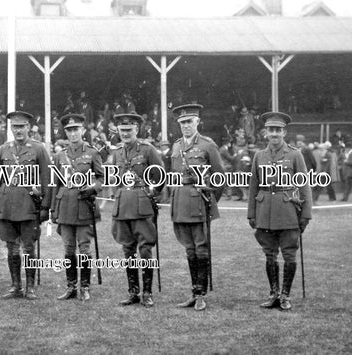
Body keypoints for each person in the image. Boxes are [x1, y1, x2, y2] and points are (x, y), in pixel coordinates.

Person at [247, 112, 312, 311]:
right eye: (270, 130)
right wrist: (251, 212)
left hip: (288, 211)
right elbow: (253, 186)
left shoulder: (294, 154)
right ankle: (273, 293)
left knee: (289, 254)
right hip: (264, 210)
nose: (274, 134)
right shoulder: (259, 155)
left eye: (278, 130)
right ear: (265, 132)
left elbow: (304, 186)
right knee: (269, 254)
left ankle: (285, 295)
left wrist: (306, 214)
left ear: (284, 132)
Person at [0, 111, 51, 300]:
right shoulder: (4, 149)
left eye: (22, 126)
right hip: (7, 205)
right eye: (15, 127)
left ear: (28, 128)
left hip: (29, 205)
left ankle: (30, 287)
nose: (18, 130)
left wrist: (45, 206)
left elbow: (47, 178)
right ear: (11, 129)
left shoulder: (38, 149)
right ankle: (16, 285)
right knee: (12, 247)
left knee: (29, 247)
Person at [170, 104, 224, 311]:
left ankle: (201, 294)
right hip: (180, 202)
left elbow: (220, 177)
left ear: (197, 122)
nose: (185, 126)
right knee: (189, 249)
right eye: (182, 123)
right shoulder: (176, 146)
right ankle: (194, 292)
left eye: (189, 122)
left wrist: (210, 198)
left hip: (200, 202)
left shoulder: (207, 144)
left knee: (201, 248)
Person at [111, 113, 164, 308]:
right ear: (118, 131)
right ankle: (133, 292)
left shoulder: (147, 150)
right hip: (123, 205)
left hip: (142, 206)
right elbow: (116, 180)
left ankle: (147, 292)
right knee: (128, 249)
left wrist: (152, 194)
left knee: (145, 249)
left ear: (137, 130)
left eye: (129, 130)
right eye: (122, 130)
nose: (125, 133)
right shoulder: (117, 152)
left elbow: (160, 175)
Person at [51, 114, 104, 301]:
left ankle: (85, 287)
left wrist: (93, 189)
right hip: (65, 206)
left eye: (76, 129)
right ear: (66, 132)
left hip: (84, 205)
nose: (73, 133)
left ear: (82, 130)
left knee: (84, 249)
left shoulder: (92, 153)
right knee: (68, 248)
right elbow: (56, 184)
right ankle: (71, 287)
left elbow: (101, 178)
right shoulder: (59, 156)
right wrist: (53, 210)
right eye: (69, 130)